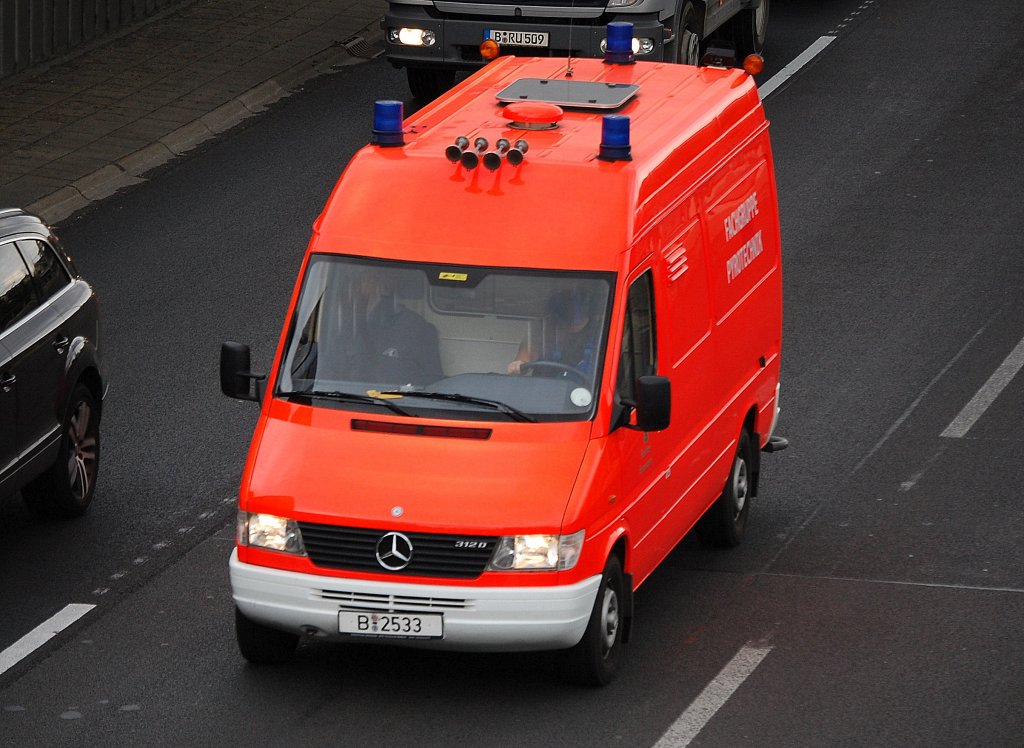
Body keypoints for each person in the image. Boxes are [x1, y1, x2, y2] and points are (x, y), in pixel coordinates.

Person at [349, 270, 444, 386]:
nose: (367, 291)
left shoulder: (417, 328)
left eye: (375, 283)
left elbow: (432, 379)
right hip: (352, 399)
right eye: (361, 288)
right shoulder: (343, 329)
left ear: (388, 290)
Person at [507, 284, 599, 378]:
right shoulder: (541, 327)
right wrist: (518, 366)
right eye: (564, 299)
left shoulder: (599, 331)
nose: (569, 304)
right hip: (543, 389)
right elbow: (522, 362)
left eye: (574, 298)